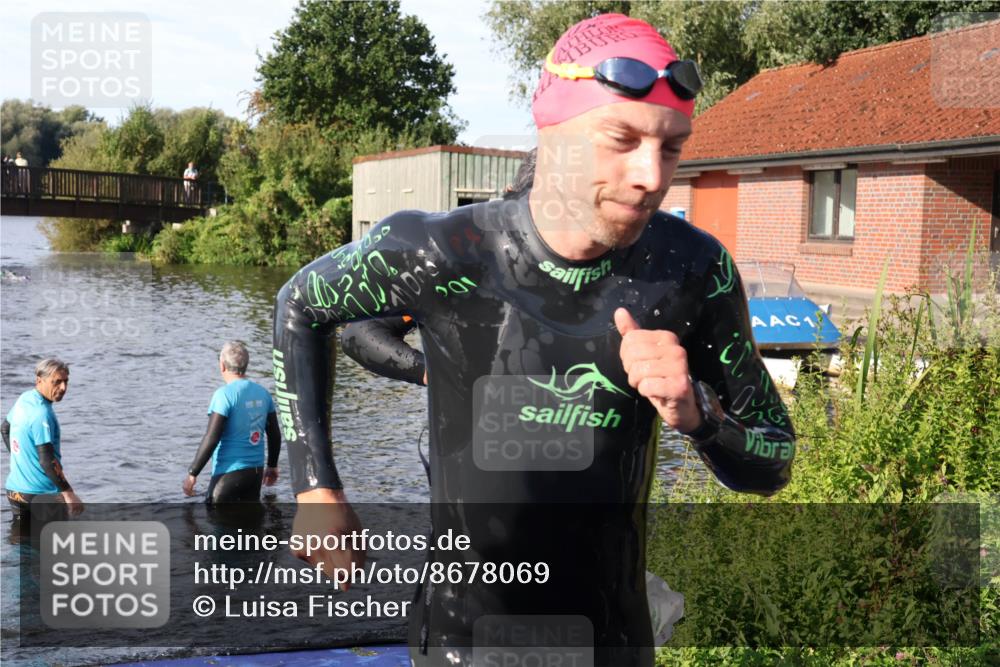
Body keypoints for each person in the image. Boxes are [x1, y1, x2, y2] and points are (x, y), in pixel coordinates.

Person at [273, 13, 794, 666]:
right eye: (622, 138)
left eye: (671, 147)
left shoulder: (694, 272)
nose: (650, 175)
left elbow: (774, 459)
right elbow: (301, 304)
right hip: (464, 646)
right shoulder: (443, 252)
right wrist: (316, 487)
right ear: (552, 127)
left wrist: (701, 414)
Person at [183, 341, 281, 504]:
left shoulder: (223, 395)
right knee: (250, 526)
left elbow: (211, 438)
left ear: (222, 365)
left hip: (228, 475)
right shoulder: (263, 393)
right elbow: (274, 434)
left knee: (217, 524)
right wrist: (272, 466)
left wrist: (193, 473)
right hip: (255, 475)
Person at [2, 359, 84, 520]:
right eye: (57, 382)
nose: (63, 388)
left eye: (66, 381)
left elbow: (5, 429)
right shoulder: (42, 414)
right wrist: (68, 493)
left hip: (15, 491)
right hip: (42, 494)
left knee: (22, 541)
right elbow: (47, 461)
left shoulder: (24, 399)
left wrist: (23, 461)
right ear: (39, 380)